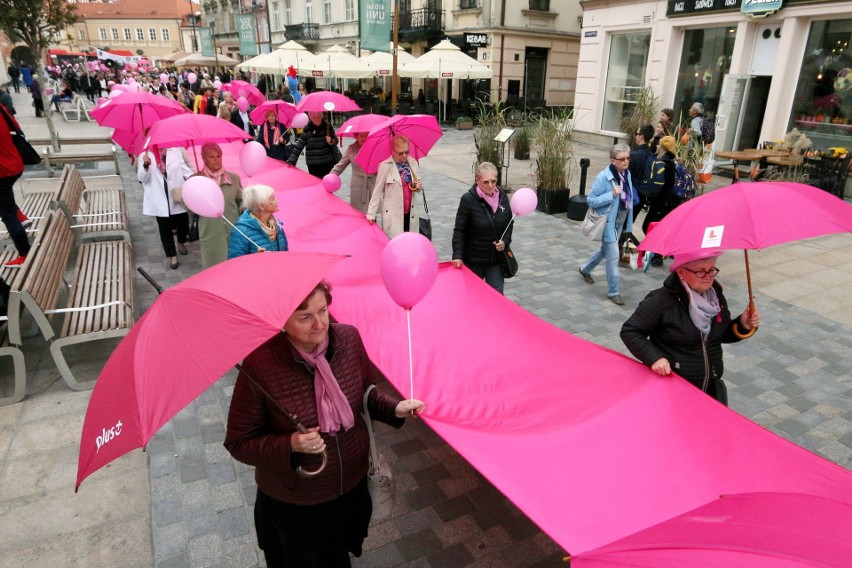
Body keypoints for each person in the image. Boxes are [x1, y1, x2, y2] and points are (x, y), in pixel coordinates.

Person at [224, 281, 425, 567]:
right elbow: (239, 442)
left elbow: (366, 392)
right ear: (282, 320)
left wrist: (395, 407)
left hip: (350, 488)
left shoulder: (348, 339)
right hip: (298, 507)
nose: (320, 324)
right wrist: (290, 444)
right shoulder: (260, 365)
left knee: (339, 554)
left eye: (324, 310)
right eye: (305, 317)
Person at [620, 250, 760, 405]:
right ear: (681, 271)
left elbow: (719, 335)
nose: (708, 277)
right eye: (700, 271)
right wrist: (654, 358)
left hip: (709, 388)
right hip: (674, 390)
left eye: (712, 270)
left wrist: (741, 324)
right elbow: (630, 331)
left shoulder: (715, 296)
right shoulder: (661, 300)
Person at [578, 143, 636, 306]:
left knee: (604, 251)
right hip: (607, 223)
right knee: (613, 256)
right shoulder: (603, 177)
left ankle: (585, 269)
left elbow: (629, 201)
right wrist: (611, 194)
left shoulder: (627, 174)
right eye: (622, 159)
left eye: (628, 158)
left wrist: (629, 226)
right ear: (613, 160)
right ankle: (613, 291)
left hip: (620, 221)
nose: (626, 161)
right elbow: (591, 200)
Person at [451, 162, 513, 294]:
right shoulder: (468, 200)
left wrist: (505, 242)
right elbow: (459, 230)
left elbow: (509, 223)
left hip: (495, 260)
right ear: (477, 180)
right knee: (473, 296)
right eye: (486, 182)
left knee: (497, 296)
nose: (490, 185)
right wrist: (457, 255)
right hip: (474, 261)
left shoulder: (502, 197)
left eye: (493, 181)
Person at [137, 145, 194, 269]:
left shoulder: (175, 152)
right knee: (164, 227)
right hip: (159, 197)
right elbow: (142, 179)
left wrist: (196, 178)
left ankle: (181, 242)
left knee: (182, 223)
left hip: (176, 194)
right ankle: (172, 255)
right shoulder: (144, 155)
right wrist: (145, 166)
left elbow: (185, 170)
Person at [196, 142, 243, 269]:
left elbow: (241, 200)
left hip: (234, 231)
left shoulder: (233, 178)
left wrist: (244, 208)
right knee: (214, 269)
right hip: (211, 233)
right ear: (204, 159)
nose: (216, 160)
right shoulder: (195, 181)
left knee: (237, 267)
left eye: (219, 156)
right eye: (211, 157)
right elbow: (188, 207)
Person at [366, 134, 423, 239]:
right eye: (401, 153)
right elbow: (377, 191)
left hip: (410, 213)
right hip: (393, 215)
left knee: (411, 242)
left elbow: (416, 187)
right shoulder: (385, 166)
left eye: (407, 152)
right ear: (393, 151)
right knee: (395, 245)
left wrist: (418, 186)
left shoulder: (413, 163)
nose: (405, 156)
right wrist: (371, 214)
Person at [0, 104, 32, 267]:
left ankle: (25, 254)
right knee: (5, 202)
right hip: (14, 162)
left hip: (3, 170)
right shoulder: (1, 108)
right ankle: (20, 216)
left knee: (7, 215)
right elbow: (16, 127)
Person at [644, 135, 680, 267]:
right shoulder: (671, 161)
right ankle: (659, 252)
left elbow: (663, 186)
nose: (657, 146)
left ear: (663, 147)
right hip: (666, 202)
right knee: (655, 227)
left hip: (661, 202)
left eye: (659, 144)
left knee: (649, 226)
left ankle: (658, 255)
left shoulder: (665, 163)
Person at [228, 185, 287, 259]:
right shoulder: (241, 231)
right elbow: (234, 263)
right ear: (262, 206)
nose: (277, 201)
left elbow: (285, 255)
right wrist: (254, 259)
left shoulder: (277, 225)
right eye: (272, 199)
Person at [330, 131, 374, 213]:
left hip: (372, 183)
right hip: (357, 184)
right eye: (361, 136)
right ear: (356, 136)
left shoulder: (374, 147)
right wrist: (330, 177)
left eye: (366, 136)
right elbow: (340, 165)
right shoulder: (351, 149)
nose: (364, 138)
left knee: (372, 212)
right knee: (358, 212)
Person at [287, 111, 339, 178]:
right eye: (314, 117)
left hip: (327, 161)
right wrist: (291, 160)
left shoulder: (327, 127)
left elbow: (336, 140)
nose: (317, 119)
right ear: (311, 118)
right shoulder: (307, 129)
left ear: (321, 116)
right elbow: (299, 146)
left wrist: (331, 141)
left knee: (327, 182)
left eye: (318, 117)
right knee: (316, 183)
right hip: (313, 163)